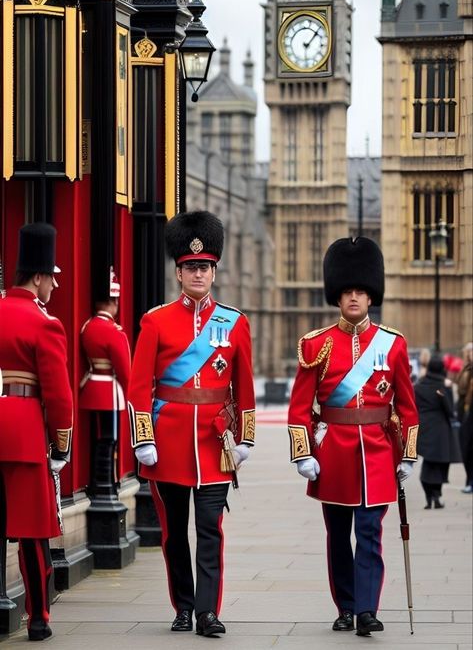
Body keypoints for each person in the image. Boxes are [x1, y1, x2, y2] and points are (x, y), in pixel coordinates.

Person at [127, 211, 255, 637]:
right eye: (190, 267)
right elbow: (138, 386)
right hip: (167, 443)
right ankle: (182, 606)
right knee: (174, 535)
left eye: (205, 267)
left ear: (214, 271)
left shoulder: (234, 323)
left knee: (210, 530)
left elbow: (245, 386)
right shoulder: (156, 320)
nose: (198, 273)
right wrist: (143, 439)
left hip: (214, 444)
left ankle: (207, 612)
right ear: (179, 272)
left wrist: (246, 440)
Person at [287, 237, 419, 637]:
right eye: (348, 292)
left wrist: (408, 454)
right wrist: (303, 453)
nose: (355, 298)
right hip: (334, 454)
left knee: (370, 533)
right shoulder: (317, 344)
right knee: (338, 537)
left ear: (371, 295)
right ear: (337, 297)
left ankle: (366, 609)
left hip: (378, 452)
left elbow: (408, 406)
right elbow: (299, 406)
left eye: (360, 291)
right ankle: (345, 605)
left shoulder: (393, 344)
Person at [0, 223, 73, 641]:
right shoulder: (45, 323)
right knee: (31, 533)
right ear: (40, 276)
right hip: (25, 433)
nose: (55, 285)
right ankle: (39, 617)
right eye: (52, 278)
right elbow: (59, 396)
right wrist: (60, 444)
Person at [79, 268, 130, 495]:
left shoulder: (87, 327)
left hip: (90, 388)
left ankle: (96, 482)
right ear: (113, 302)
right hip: (110, 390)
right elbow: (125, 371)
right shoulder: (115, 331)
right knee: (109, 439)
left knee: (95, 440)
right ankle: (105, 484)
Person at [415, 356, 455, 508]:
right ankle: (436, 496)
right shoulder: (443, 387)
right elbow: (450, 410)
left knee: (428, 462)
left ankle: (429, 498)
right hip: (441, 428)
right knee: (439, 464)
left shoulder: (419, 386)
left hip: (424, 427)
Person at [457, 343, 473, 493]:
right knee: (465, 449)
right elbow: (461, 387)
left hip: (469, 414)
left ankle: (471, 481)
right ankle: (469, 479)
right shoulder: (466, 369)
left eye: (468, 353)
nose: (467, 355)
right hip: (464, 413)